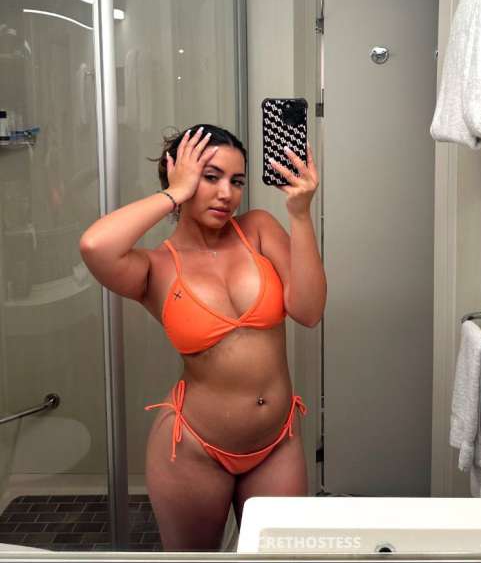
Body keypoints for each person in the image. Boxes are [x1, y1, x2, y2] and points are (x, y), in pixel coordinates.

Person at [79, 124, 327, 551]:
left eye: (237, 181)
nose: (226, 193)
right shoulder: (155, 267)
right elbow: (94, 245)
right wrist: (175, 193)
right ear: (179, 174)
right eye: (210, 177)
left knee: (280, 558)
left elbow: (309, 311)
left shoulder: (258, 230)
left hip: (277, 442)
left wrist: (301, 215)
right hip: (194, 447)